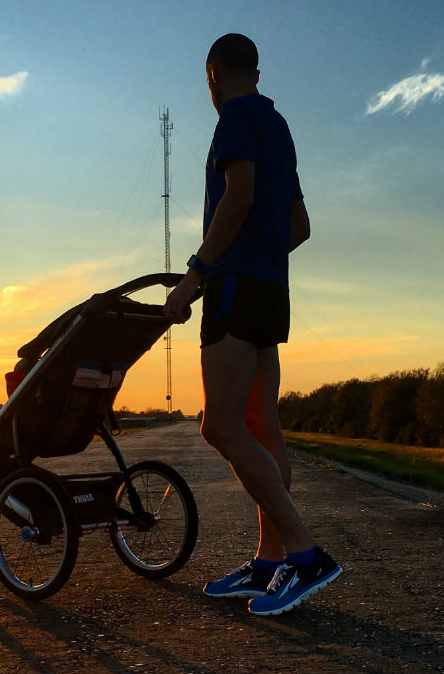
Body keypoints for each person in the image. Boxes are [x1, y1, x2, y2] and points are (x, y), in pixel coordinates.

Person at [164, 33, 341, 616]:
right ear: (256, 70)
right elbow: (300, 224)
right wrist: (263, 258)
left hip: (235, 287)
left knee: (220, 425)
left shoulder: (234, 117)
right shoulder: (278, 126)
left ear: (211, 72)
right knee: (264, 427)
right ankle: (268, 562)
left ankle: (304, 553)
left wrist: (197, 276)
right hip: (270, 289)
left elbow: (236, 199)